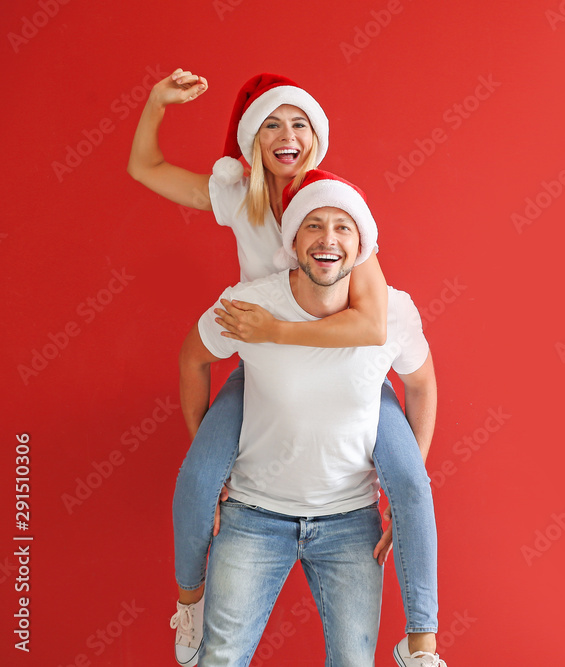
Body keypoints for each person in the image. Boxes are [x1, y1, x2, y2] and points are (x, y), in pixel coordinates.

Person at [128, 71, 444, 666]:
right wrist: (155, 105)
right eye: (270, 123)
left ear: (318, 136)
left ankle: (422, 643)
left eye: (299, 122)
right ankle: (189, 602)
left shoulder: (338, 210)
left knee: (411, 488)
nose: (285, 135)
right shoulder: (240, 195)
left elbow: (373, 327)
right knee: (199, 478)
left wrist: (273, 329)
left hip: (348, 373)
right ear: (252, 139)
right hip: (263, 365)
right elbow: (147, 169)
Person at [180, 170, 437, 666]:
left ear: (362, 245)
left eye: (343, 227)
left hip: (350, 524)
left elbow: (423, 384)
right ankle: (185, 599)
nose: (328, 239)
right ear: (293, 240)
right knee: (220, 660)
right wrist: (211, 467)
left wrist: (401, 496)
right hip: (254, 517)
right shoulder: (250, 305)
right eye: (314, 225)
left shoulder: (394, 314)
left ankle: (423, 641)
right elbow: (193, 358)